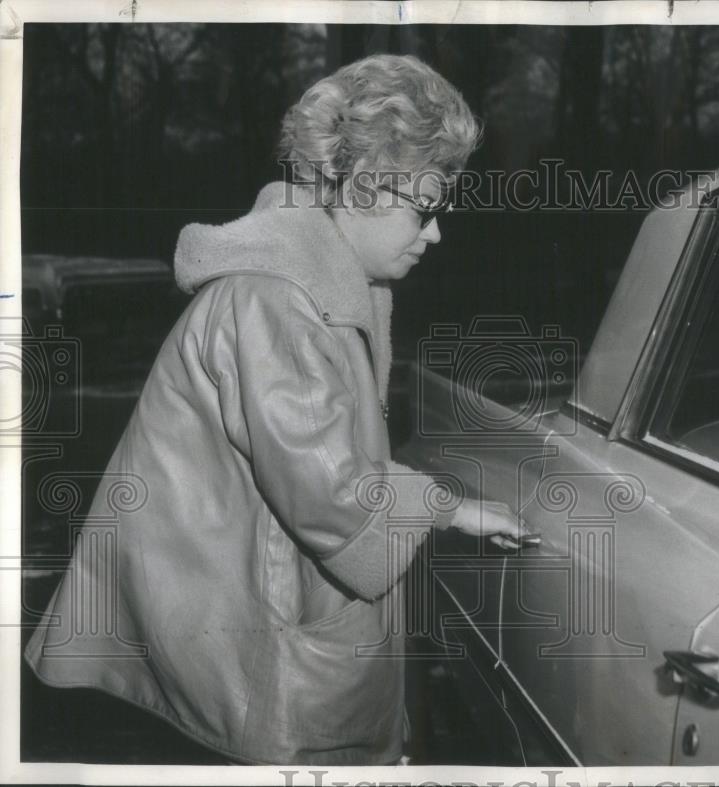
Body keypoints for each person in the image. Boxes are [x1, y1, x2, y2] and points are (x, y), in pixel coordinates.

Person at [24, 54, 523, 765]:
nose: (436, 232)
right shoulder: (276, 302)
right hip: (272, 657)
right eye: (427, 206)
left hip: (277, 620)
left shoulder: (323, 288)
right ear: (361, 187)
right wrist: (446, 505)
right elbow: (328, 491)